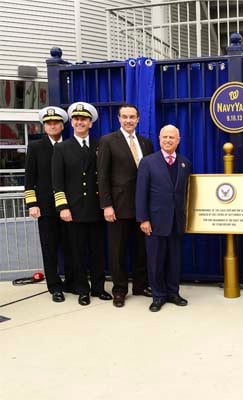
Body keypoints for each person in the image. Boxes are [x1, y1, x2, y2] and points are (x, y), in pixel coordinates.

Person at [52, 101, 112, 306]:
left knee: (98, 252)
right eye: (76, 119)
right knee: (77, 253)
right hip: (74, 210)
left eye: (84, 119)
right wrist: (63, 207)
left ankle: (98, 288)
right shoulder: (62, 148)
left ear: (90, 123)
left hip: (96, 208)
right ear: (72, 123)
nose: (80, 122)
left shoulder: (100, 145)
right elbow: (57, 181)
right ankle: (82, 290)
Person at [97, 104, 153, 308]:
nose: (128, 120)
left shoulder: (146, 143)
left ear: (138, 119)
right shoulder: (108, 141)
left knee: (141, 250)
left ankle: (140, 285)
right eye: (125, 117)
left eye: (132, 117)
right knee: (117, 251)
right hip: (118, 207)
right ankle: (119, 290)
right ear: (118, 119)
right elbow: (102, 176)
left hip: (142, 208)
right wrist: (106, 205)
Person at [136, 124, 192, 312]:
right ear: (159, 139)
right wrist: (143, 219)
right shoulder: (148, 162)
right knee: (155, 261)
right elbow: (141, 193)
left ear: (178, 140)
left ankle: (173, 292)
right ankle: (158, 295)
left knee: (174, 260)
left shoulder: (185, 163)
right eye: (164, 137)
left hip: (176, 221)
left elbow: (186, 193)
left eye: (172, 137)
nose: (168, 140)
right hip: (155, 222)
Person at [24, 106, 73, 302]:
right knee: (49, 248)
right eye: (48, 123)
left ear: (62, 125)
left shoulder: (70, 145)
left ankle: (71, 282)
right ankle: (54, 287)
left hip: (68, 207)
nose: (52, 126)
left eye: (56, 123)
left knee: (70, 247)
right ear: (44, 126)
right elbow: (29, 178)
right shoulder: (36, 147)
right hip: (45, 207)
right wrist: (32, 204)